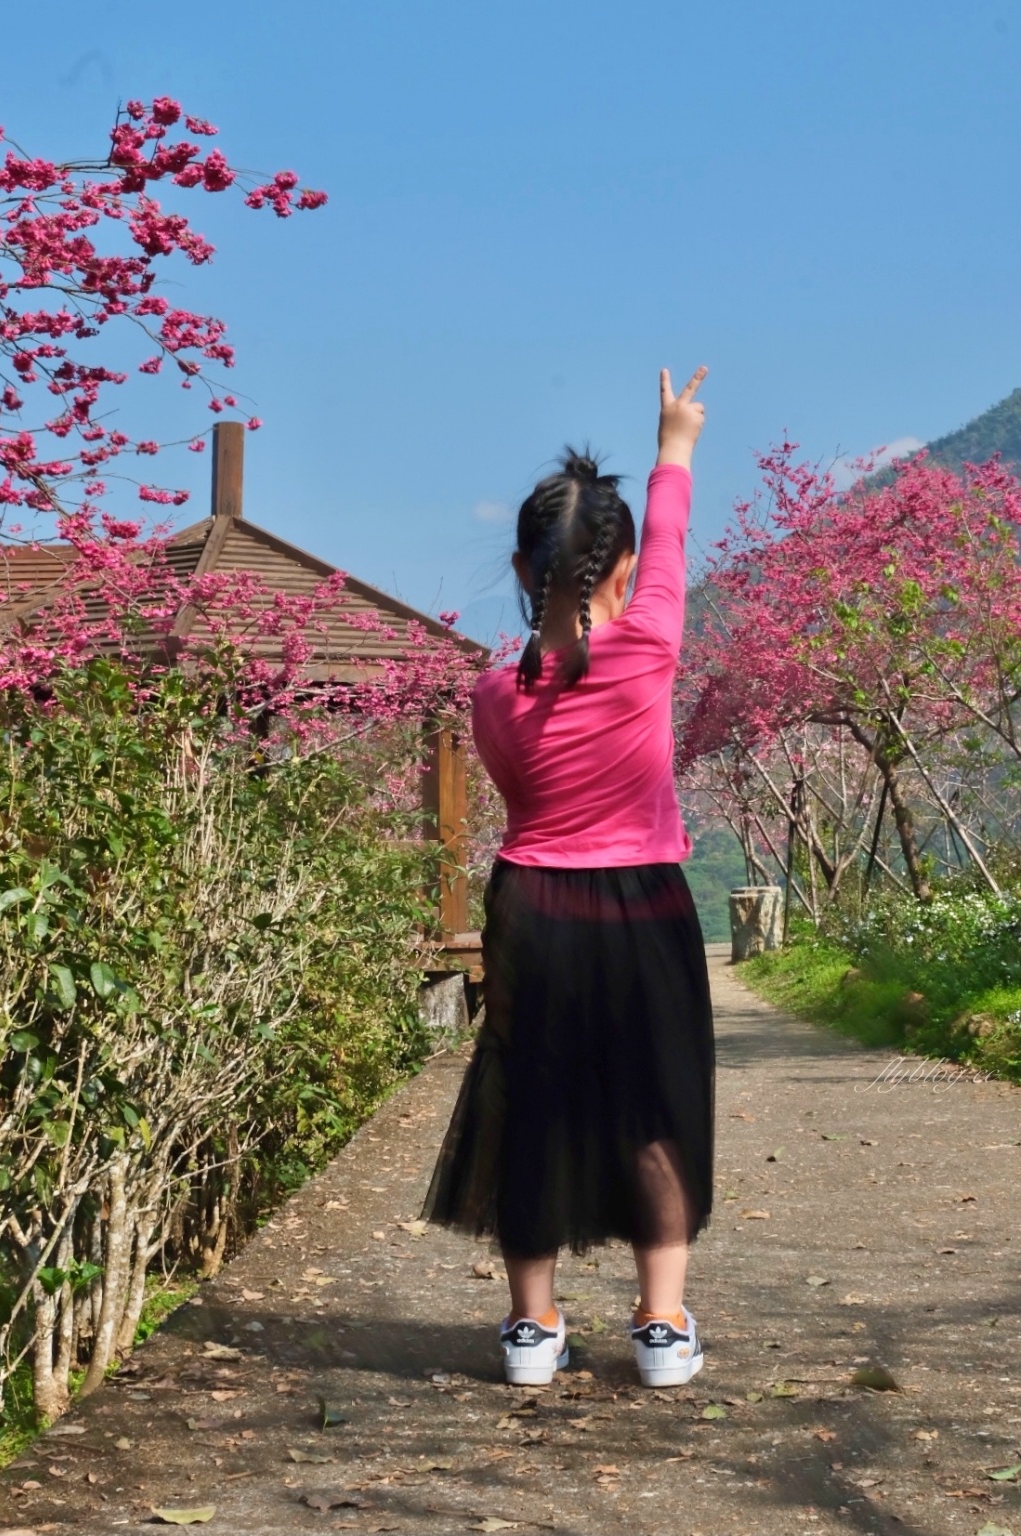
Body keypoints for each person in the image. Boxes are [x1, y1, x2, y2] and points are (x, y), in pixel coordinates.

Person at [423, 367, 715, 1389]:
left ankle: (530, 1329)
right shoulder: (653, 644)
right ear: (622, 568)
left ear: (521, 567)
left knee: (530, 1099)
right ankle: (662, 1326)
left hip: (534, 907)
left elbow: (522, 803)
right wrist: (674, 443)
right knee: (657, 1103)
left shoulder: (491, 697)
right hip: (645, 903)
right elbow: (671, 534)